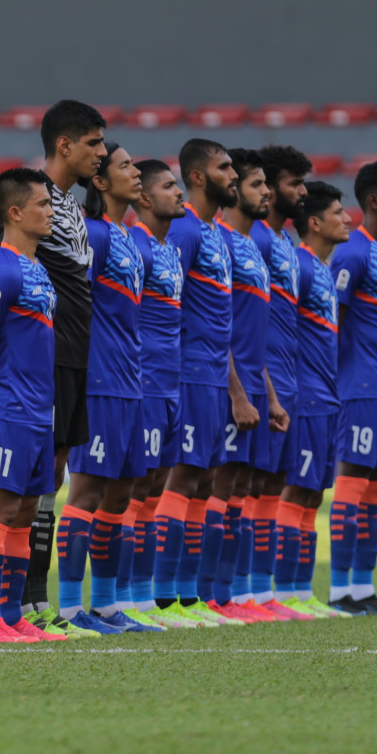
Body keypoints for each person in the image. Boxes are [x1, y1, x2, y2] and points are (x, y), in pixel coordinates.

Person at [56, 143, 161, 634]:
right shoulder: (93, 236)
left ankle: (106, 605)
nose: (135, 173)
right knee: (86, 492)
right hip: (98, 383)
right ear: (100, 181)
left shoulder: (128, 237)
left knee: (121, 495)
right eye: (124, 167)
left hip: (131, 383)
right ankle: (70, 608)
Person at [157, 139, 256, 628]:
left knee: (201, 483)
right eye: (224, 168)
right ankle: (161, 598)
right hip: (188, 374)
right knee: (182, 478)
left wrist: (234, 388)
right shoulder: (185, 233)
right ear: (198, 177)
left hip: (215, 376)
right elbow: (164, 308)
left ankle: (188, 598)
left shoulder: (216, 234)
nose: (232, 174)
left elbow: (223, 324)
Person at [0, 168, 61, 644]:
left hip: (40, 409)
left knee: (24, 513)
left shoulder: (37, 268)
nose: (52, 211)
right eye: (43, 204)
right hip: (9, 406)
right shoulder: (0, 269)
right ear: (16, 212)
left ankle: (10, 615)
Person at [22, 101, 107, 638]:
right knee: (31, 479)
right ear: (66, 145)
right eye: (95, 143)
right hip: (47, 358)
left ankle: (37, 601)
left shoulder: (73, 207)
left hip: (77, 356)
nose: (102, 152)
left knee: (52, 476)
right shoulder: (34, 200)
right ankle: (16, 604)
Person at [326, 161, 377, 616]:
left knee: (374, 490)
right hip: (356, 387)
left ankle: (363, 588)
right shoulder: (352, 252)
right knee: (352, 485)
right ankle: (340, 591)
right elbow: (331, 321)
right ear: (374, 201)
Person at [209, 149, 290, 622]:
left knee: (239, 489)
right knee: (211, 486)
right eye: (258, 185)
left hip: (254, 384)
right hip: (222, 384)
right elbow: (217, 329)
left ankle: (232, 594)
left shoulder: (249, 247)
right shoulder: (215, 240)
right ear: (235, 188)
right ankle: (198, 595)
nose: (268, 193)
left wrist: (271, 396)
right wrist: (237, 392)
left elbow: (249, 331)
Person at [277, 181, 354, 620]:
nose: (347, 219)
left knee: (313, 497)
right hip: (304, 397)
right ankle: (286, 591)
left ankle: (302, 591)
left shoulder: (324, 270)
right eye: (339, 213)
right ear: (315, 222)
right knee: (296, 492)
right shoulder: (301, 268)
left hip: (327, 398)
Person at [249, 146, 312, 622]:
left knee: (270, 487)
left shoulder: (284, 243)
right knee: (240, 485)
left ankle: (259, 591)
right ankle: (233, 590)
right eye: (294, 183)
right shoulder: (261, 243)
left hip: (285, 380)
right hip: (260, 377)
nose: (302, 192)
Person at [126, 160, 191, 628]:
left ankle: (145, 598)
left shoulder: (168, 249)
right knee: (134, 491)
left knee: (154, 492)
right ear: (144, 198)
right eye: (170, 186)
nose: (179, 192)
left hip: (172, 384)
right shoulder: (135, 245)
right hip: (144, 382)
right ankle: (124, 596)